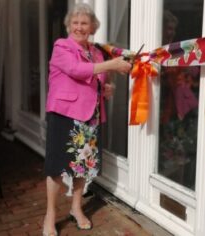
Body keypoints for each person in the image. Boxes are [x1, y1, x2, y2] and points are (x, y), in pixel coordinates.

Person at [43, 3, 131, 236]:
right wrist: (112, 64)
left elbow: (97, 80)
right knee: (56, 167)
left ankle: (76, 208)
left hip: (90, 115)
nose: (79, 27)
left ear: (93, 27)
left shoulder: (97, 52)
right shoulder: (61, 46)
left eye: (84, 23)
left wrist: (106, 89)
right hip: (63, 114)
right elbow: (76, 70)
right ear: (68, 25)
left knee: (82, 165)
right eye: (75, 23)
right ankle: (50, 215)